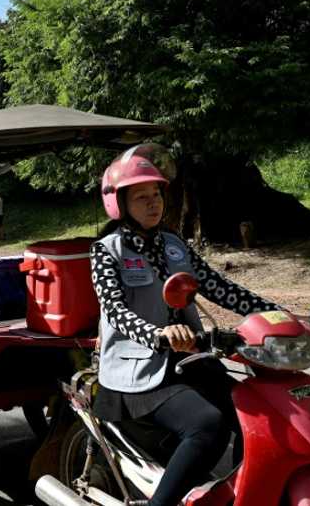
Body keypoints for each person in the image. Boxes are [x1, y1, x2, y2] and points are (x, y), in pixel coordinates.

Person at [90, 144, 282, 506]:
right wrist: (158, 335)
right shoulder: (106, 250)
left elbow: (218, 287)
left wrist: (277, 313)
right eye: (141, 197)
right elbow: (114, 310)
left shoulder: (175, 244)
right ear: (119, 204)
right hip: (140, 370)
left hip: (193, 360)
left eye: (157, 194)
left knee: (261, 416)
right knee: (207, 425)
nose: (153, 203)